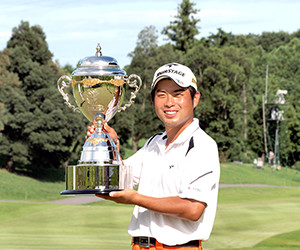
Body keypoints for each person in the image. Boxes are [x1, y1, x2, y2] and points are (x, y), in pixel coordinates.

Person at [89, 63, 220, 250]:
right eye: (161, 94)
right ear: (153, 100)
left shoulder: (202, 145)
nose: (169, 102)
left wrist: (135, 198)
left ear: (195, 98)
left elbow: (193, 209)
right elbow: (119, 180)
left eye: (178, 94)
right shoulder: (153, 143)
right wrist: (109, 144)